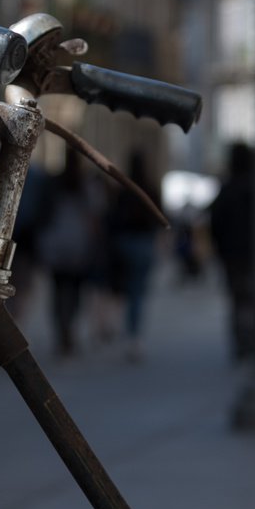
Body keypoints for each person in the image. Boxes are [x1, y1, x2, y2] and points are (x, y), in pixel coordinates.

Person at [36, 151, 103, 356]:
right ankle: (69, 331)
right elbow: (95, 216)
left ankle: (62, 332)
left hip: (56, 245)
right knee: (74, 292)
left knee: (57, 292)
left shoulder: (55, 183)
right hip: (78, 247)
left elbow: (43, 213)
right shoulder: (86, 184)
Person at [108, 151, 163, 362]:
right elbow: (159, 218)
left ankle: (129, 333)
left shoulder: (123, 190)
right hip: (143, 244)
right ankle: (134, 336)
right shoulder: (150, 190)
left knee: (128, 290)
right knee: (137, 292)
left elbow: (112, 218)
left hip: (125, 243)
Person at [208, 143, 255, 361]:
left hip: (233, 254)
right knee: (253, 298)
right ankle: (250, 340)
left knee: (238, 300)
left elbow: (214, 221)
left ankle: (242, 342)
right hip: (252, 253)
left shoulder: (228, 188)